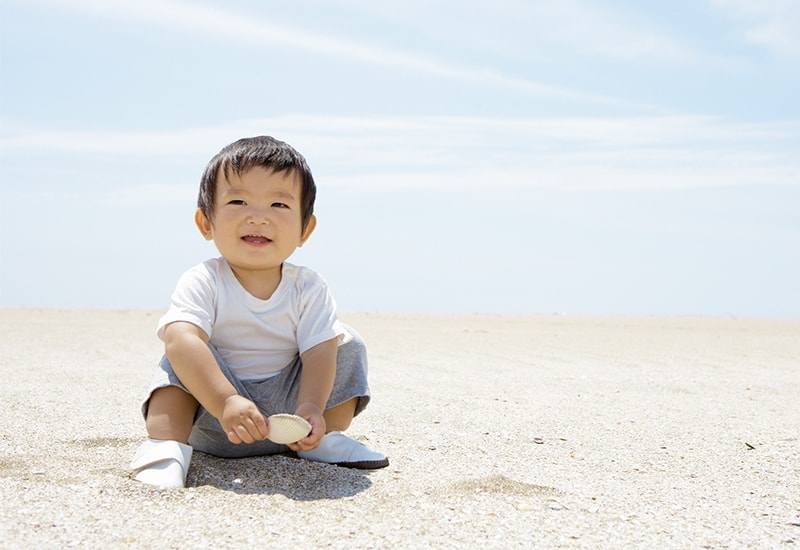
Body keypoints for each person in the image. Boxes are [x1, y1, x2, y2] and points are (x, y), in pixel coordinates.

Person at [130, 136, 388, 488]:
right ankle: (166, 447)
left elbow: (318, 353)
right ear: (206, 222)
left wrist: (311, 407)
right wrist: (226, 401)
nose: (258, 216)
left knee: (344, 342)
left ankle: (322, 440)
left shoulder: (308, 287)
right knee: (182, 348)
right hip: (215, 415)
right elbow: (180, 340)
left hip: (290, 421)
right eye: (238, 201)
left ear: (305, 229)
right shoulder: (204, 279)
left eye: (279, 205)